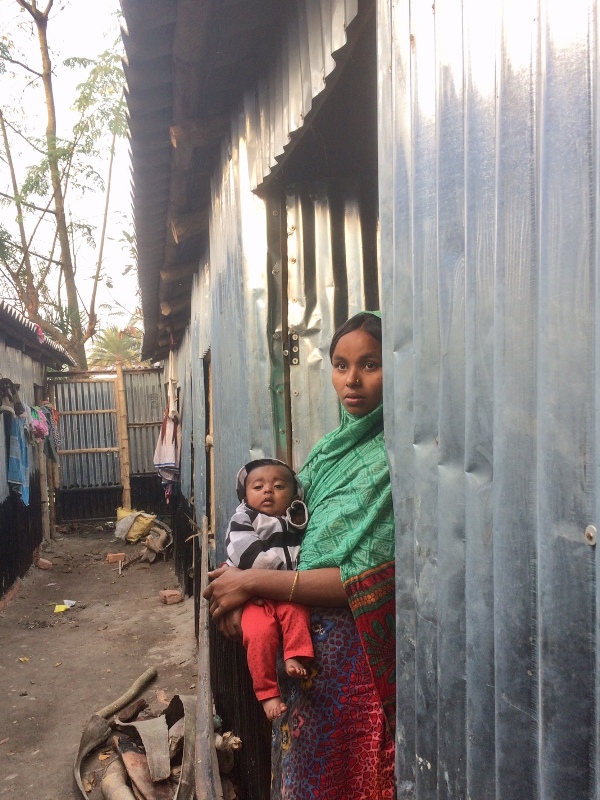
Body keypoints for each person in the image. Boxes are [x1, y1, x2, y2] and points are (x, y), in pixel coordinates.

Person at [204, 311, 396, 800]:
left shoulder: (393, 457)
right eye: (340, 364)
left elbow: (363, 578)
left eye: (370, 365)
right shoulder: (330, 450)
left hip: (354, 670)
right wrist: (239, 589)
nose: (351, 381)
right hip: (301, 660)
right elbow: (284, 539)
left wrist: (252, 585)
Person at [225, 458, 315, 720]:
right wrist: (281, 576)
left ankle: (294, 656)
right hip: (254, 596)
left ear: (293, 494)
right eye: (258, 486)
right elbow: (244, 552)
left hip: (284, 591)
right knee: (258, 633)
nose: (268, 491)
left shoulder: (297, 518)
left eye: (278, 486)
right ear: (245, 494)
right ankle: (267, 693)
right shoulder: (244, 518)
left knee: (297, 613)